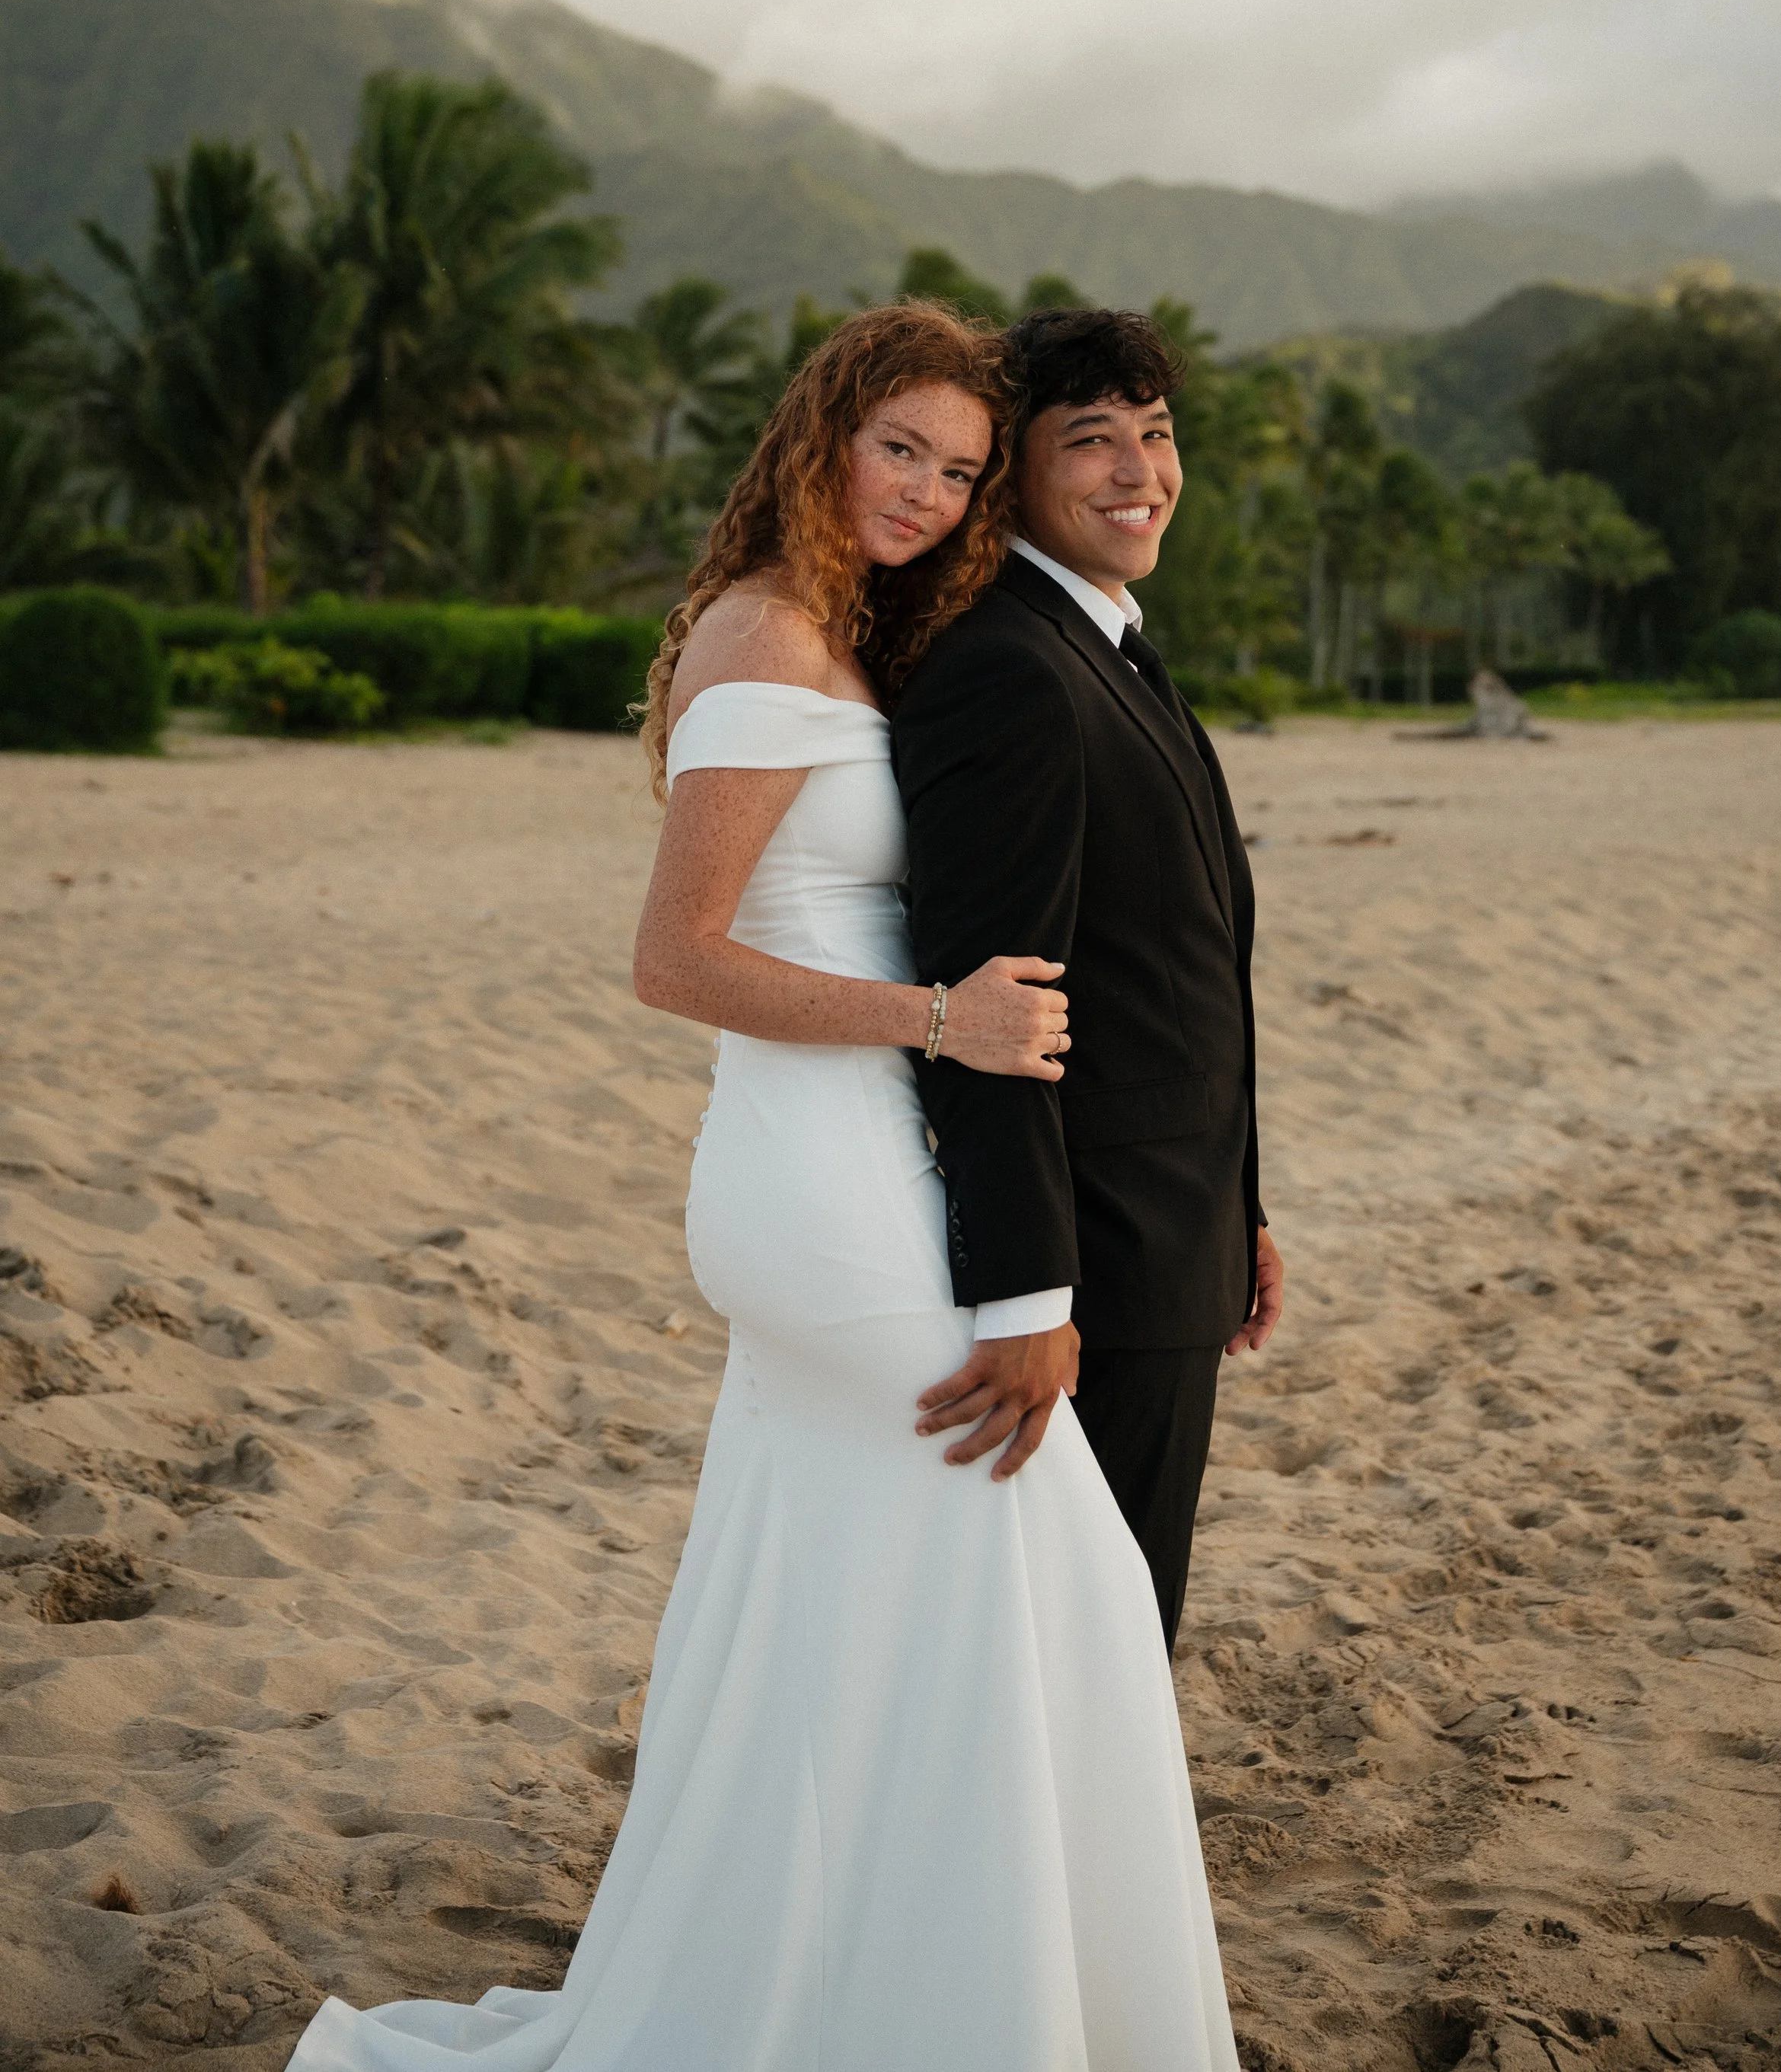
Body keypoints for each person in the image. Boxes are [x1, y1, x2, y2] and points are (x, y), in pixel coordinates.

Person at [287, 301, 1240, 2072]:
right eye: (901, 452)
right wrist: (934, 1019)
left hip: (871, 1151)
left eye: (958, 470)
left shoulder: (860, 632)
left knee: (868, 1591)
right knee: (1045, 1569)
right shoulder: (761, 632)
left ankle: (855, 1979)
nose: (928, 493)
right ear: (823, 437)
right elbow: (672, 958)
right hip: (816, 1175)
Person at [892, 305, 1283, 1655]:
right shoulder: (1006, 668)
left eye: (1157, 435)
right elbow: (986, 1008)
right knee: (1089, 1650)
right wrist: (1027, 1298)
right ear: (1011, 471)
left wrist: (1240, 1211)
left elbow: (1174, 977)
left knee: (1119, 1634)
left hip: (1173, 1237)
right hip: (1093, 1277)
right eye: (1093, 441)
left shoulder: (1105, 640)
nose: (1140, 472)